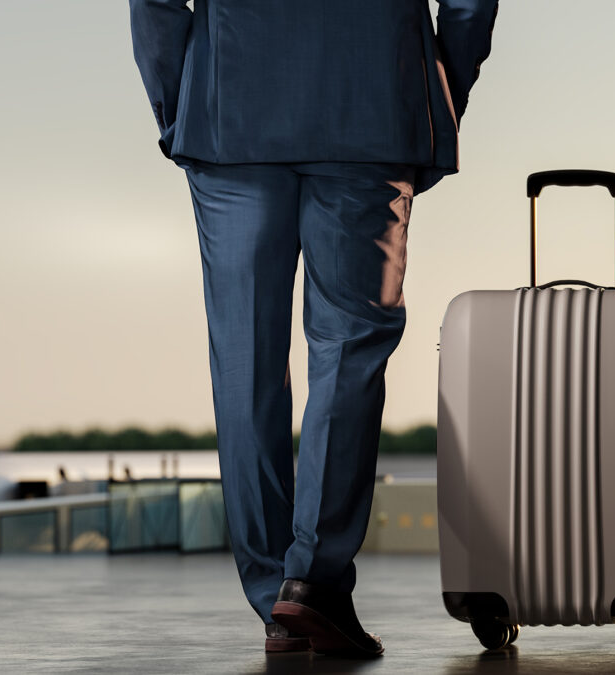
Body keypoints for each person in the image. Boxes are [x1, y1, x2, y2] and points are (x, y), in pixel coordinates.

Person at [129, 0, 498, 657]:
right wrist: (436, 84)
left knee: (245, 362)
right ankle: (311, 583)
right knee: (350, 350)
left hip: (229, 107)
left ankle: (276, 595)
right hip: (372, 103)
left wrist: (178, 96)